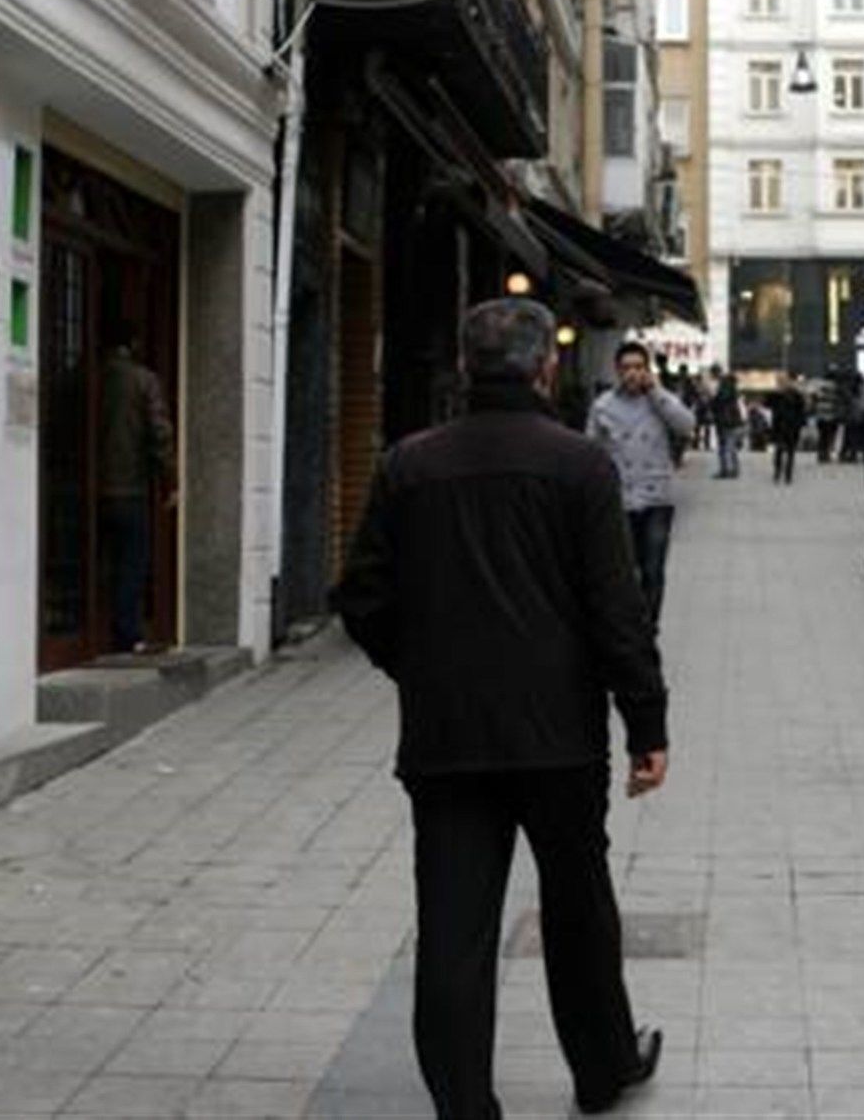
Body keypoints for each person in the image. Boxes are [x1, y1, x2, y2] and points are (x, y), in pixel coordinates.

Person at [331, 300, 668, 1120]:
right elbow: (615, 610)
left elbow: (361, 595)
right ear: (545, 369)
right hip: (560, 735)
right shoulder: (580, 465)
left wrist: (417, 666)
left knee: (453, 920)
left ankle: (466, 1105)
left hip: (449, 735)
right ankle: (601, 1067)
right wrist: (645, 725)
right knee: (578, 902)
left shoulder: (409, 463)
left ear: (463, 364)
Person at [586, 341, 697, 626]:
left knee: (653, 569)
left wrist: (656, 392)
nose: (632, 374)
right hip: (620, 498)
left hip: (657, 498)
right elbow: (590, 452)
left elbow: (686, 425)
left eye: (638, 367)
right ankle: (629, 626)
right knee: (624, 570)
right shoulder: (603, 406)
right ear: (617, 372)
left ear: (647, 370)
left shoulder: (660, 400)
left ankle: (649, 628)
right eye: (626, 368)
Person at [99, 321, 175, 653]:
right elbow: (160, 434)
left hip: (92, 487)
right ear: (133, 343)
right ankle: (126, 633)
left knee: (103, 558)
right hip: (130, 486)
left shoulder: (90, 378)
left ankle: (97, 624)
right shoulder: (144, 381)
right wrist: (170, 480)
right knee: (132, 560)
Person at [767, 374, 809, 485]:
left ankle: (786, 475)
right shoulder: (777, 395)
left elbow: (802, 411)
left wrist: (801, 425)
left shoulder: (796, 395)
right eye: (779, 382)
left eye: (782, 382)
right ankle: (779, 473)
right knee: (780, 451)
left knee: (789, 452)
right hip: (781, 426)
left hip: (790, 426)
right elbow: (767, 404)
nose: (781, 384)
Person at [709, 368, 744, 479]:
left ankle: (726, 470)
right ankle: (733, 469)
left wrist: (712, 398)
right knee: (730, 446)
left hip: (725, 420)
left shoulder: (724, 386)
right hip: (731, 420)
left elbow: (719, 401)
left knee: (725, 446)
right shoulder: (731, 387)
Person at [814, 372, 844, 462]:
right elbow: (838, 402)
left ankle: (821, 454)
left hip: (820, 415)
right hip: (831, 416)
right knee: (829, 437)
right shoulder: (836, 387)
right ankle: (826, 454)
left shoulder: (819, 387)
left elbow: (815, 399)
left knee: (822, 436)